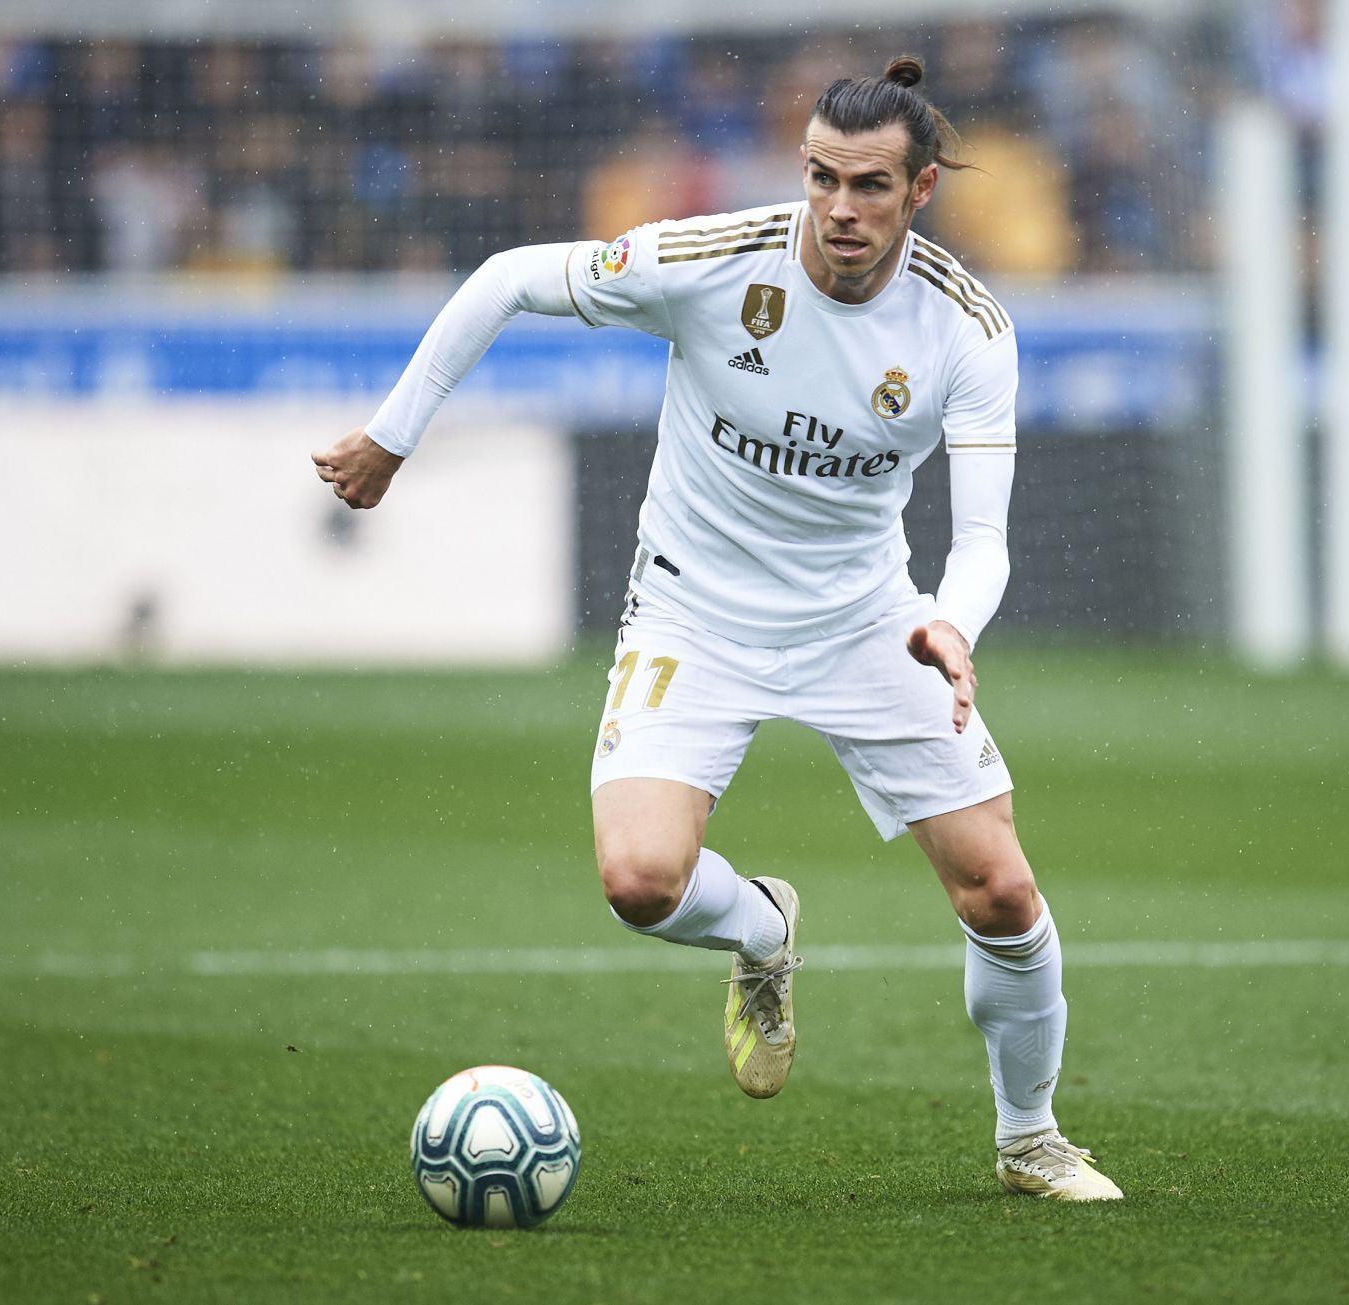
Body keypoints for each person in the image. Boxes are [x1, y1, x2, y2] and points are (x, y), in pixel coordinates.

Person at [312, 55, 1122, 1202]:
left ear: (922, 190)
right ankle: (759, 931)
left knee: (1000, 891)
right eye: (823, 179)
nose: (840, 209)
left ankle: (1030, 1138)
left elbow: (983, 540)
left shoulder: (965, 330)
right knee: (640, 880)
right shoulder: (711, 262)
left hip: (868, 622)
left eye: (872, 188)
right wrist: (393, 438)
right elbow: (502, 278)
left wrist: (951, 625)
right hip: (695, 608)